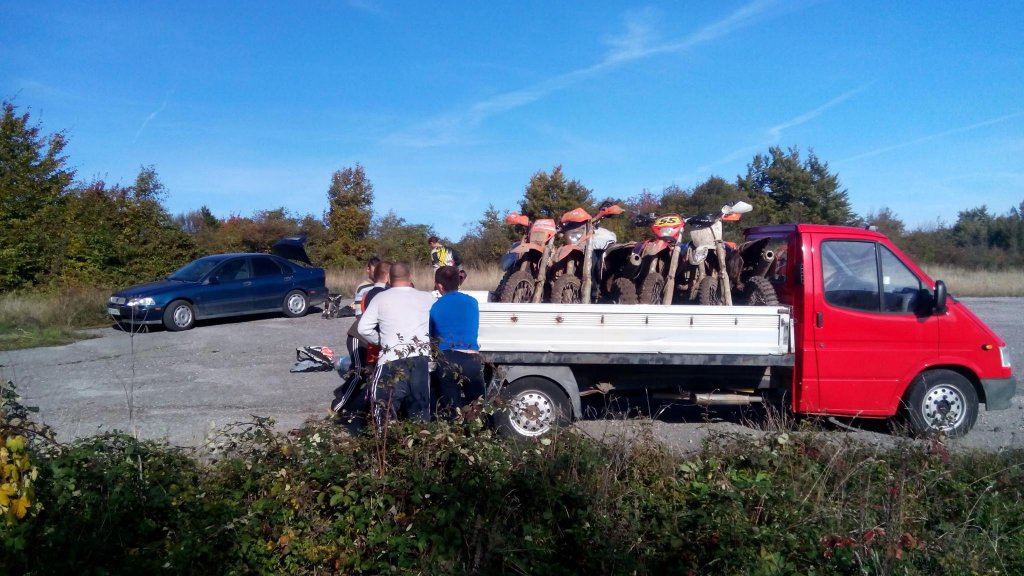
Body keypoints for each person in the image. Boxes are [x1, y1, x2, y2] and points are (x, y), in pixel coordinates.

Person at [357, 262, 435, 427]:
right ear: (410, 277)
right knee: (420, 413)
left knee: (384, 411)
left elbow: (363, 328)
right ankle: (421, 440)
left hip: (391, 358)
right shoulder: (427, 298)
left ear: (389, 279)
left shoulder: (380, 298)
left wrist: (381, 342)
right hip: (420, 360)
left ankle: (383, 440)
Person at [430, 265, 485, 419]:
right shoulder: (472, 302)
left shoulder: (435, 306)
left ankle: (454, 429)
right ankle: (476, 430)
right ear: (458, 282)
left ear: (439, 286)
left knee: (452, 409)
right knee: (476, 407)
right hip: (471, 358)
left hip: (448, 359)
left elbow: (432, 336)